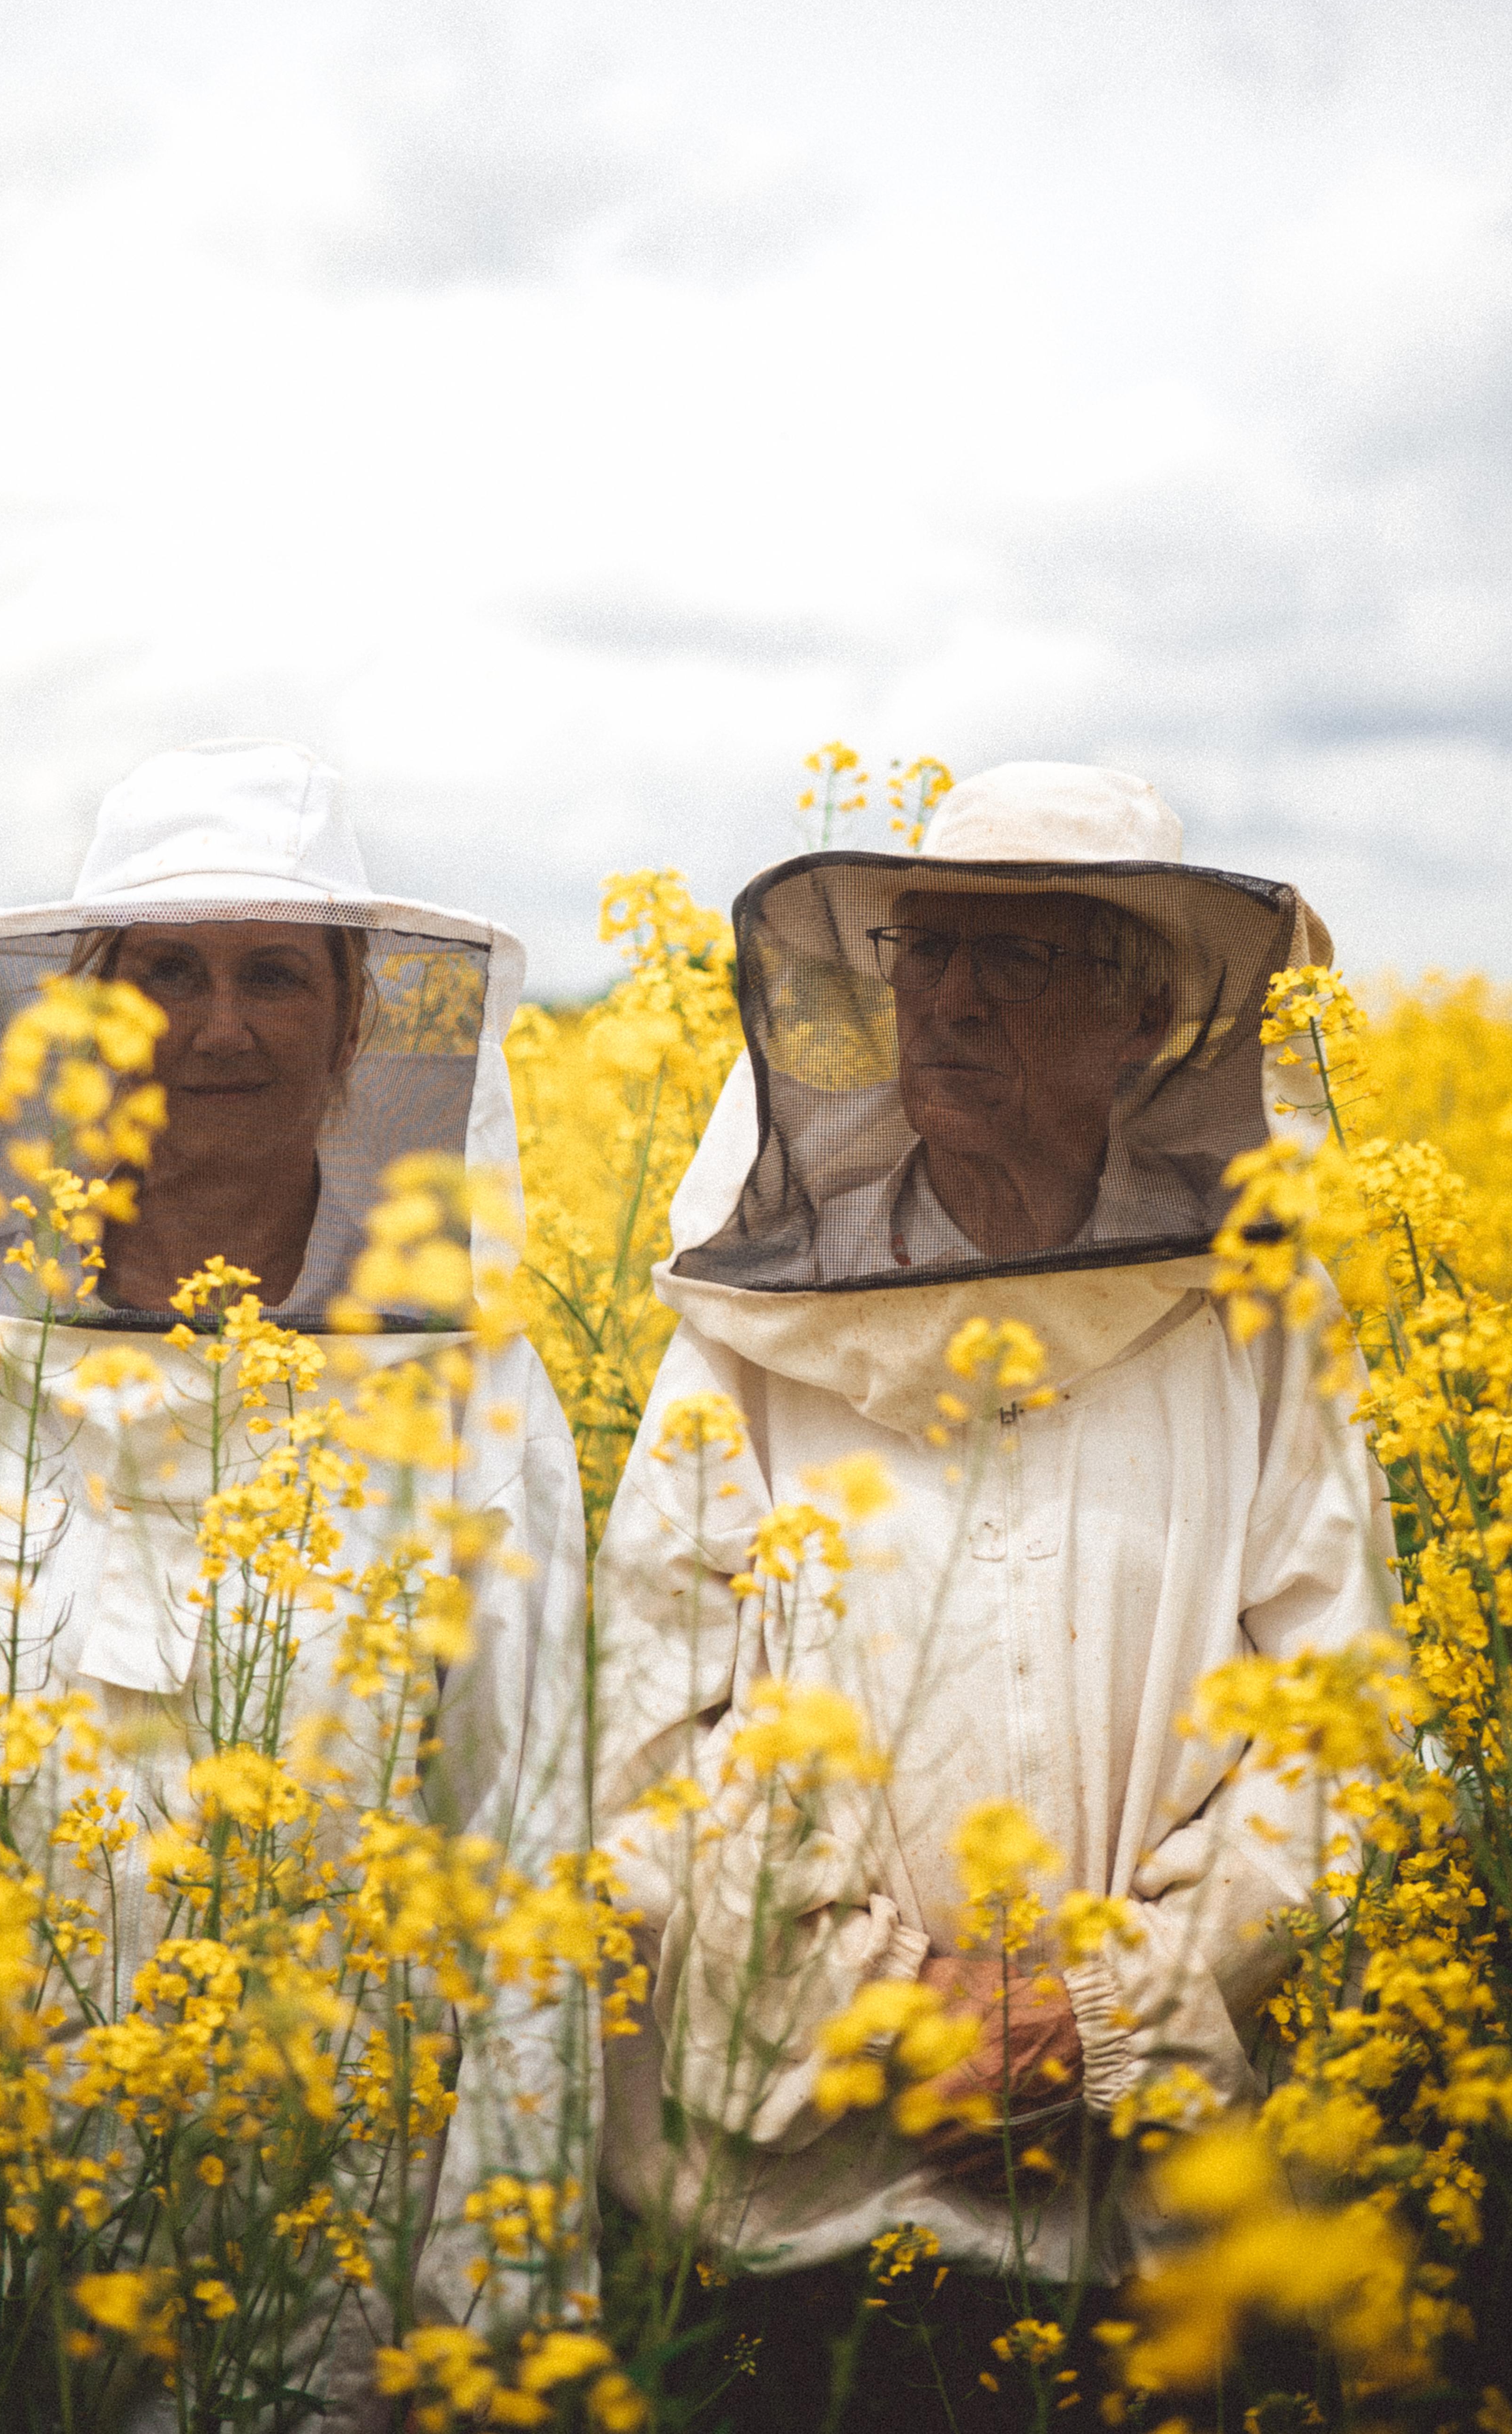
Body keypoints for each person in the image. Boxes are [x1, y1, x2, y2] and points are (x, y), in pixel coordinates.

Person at [0, 739, 590, 2427]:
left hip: (320, 2248)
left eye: (278, 974)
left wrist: (491, 2314)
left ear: (352, 1027)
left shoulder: (479, 1404)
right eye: (166, 974)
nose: (222, 1026)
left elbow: (522, 1868)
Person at [593, 761, 1392, 2422]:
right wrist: (880, 2010)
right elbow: (645, 1741)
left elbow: (1346, 1725)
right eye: (924, 951)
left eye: (1017, 958)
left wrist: (1103, 2013)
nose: (949, 999)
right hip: (798, 2223)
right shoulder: (746, 1336)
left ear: (1146, 1015)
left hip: (1161, 2237)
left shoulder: (1264, 1323)